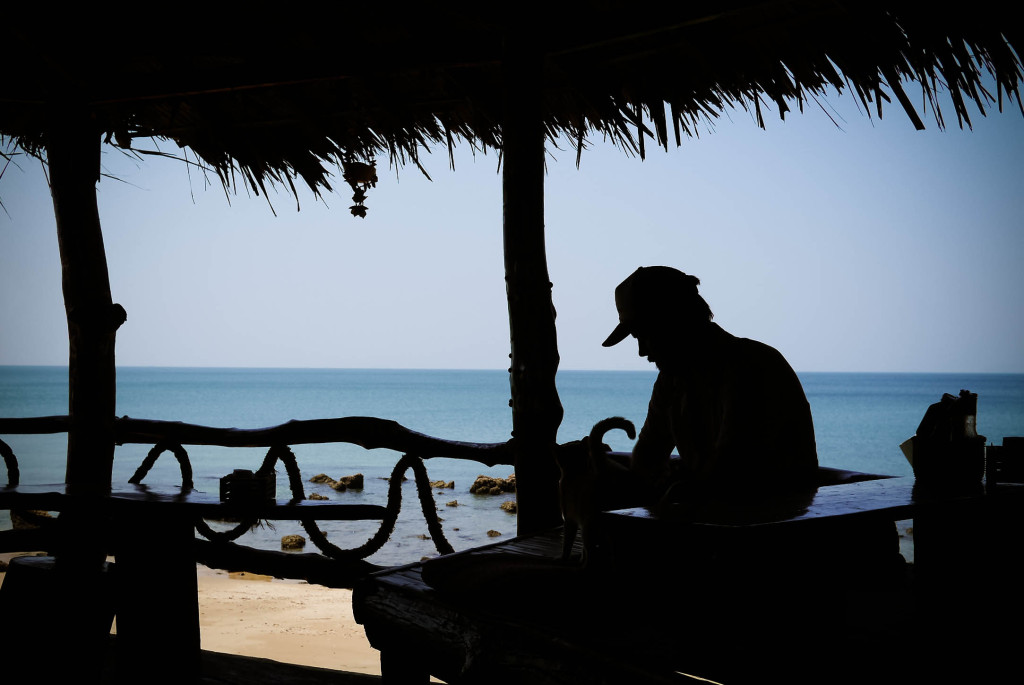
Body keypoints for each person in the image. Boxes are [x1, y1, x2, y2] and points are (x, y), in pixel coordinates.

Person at [602, 265, 819, 506]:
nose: (642, 351)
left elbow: (730, 472)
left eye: (645, 335)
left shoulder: (750, 367)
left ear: (673, 321)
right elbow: (647, 458)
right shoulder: (672, 380)